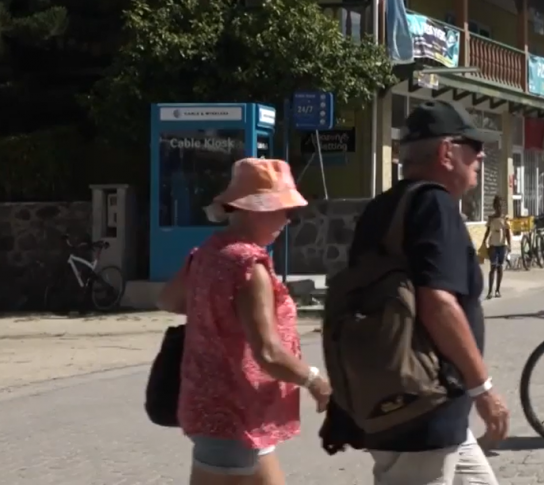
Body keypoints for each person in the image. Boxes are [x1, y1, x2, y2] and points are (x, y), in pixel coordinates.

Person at [321, 101, 506, 485]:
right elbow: (437, 303)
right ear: (446, 152)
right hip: (420, 408)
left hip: (408, 399)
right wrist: (483, 388)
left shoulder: (383, 207)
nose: (481, 156)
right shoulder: (435, 205)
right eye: (473, 147)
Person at [157, 158, 331, 485]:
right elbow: (268, 352)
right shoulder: (248, 265)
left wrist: (213, 314)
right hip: (239, 414)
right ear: (256, 210)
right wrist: (317, 382)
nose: (287, 220)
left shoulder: (208, 252)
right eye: (283, 210)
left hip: (208, 404)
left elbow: (167, 299)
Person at [482, 195, 511, 299]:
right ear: (494, 207)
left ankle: (497, 290)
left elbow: (507, 233)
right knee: (492, 267)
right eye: (497, 206)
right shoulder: (491, 219)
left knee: (500, 267)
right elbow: (487, 231)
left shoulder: (504, 219)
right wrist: (484, 241)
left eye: (501, 206)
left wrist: (509, 245)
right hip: (493, 245)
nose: (499, 208)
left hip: (502, 245)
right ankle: (490, 291)